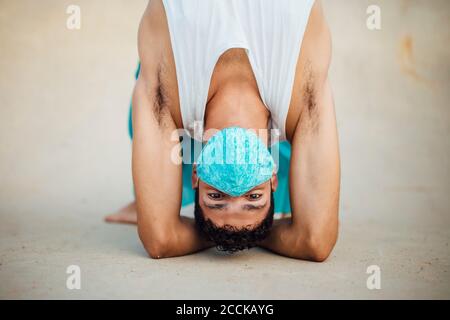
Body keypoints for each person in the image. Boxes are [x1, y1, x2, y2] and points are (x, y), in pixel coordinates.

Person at [105, 0, 340, 261]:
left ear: (196, 175)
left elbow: (161, 239)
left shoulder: (167, 99)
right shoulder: (302, 103)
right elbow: (315, 241)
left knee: (142, 121)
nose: (236, 184)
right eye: (254, 197)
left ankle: (146, 198)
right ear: (271, 177)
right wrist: (242, 237)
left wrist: (238, 235)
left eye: (216, 196)